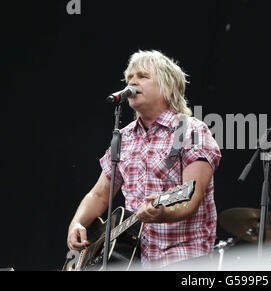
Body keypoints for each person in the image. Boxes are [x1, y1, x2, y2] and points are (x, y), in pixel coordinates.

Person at [66, 50, 221, 269]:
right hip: (137, 260)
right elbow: (99, 194)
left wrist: (162, 213)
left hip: (184, 257)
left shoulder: (192, 131)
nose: (132, 82)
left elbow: (190, 197)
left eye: (142, 76)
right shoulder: (124, 137)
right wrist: (77, 224)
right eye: (129, 78)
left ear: (167, 86)